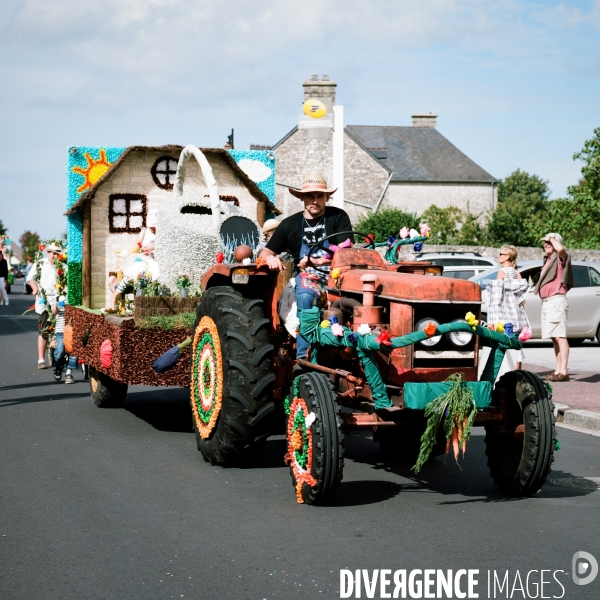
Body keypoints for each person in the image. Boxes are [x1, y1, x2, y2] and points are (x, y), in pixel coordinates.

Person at [258, 171, 353, 360]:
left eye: (320, 196)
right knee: (306, 295)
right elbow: (265, 253)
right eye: (310, 196)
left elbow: (346, 254)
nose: (315, 201)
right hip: (309, 276)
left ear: (327, 197)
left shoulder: (338, 217)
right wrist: (270, 259)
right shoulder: (289, 225)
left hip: (339, 276)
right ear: (302, 197)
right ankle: (303, 357)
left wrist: (317, 260)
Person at [533, 233, 573, 382]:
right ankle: (558, 370)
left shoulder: (561, 257)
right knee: (554, 338)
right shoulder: (549, 260)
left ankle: (564, 371)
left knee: (560, 336)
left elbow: (561, 249)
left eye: (549, 242)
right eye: (545, 242)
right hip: (548, 302)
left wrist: (553, 240)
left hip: (556, 300)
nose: (546, 244)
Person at [490, 244, 529, 370]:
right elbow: (522, 298)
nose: (498, 256)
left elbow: (496, 297)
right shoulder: (517, 273)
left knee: (502, 343)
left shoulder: (502, 272)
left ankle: (504, 373)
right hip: (515, 315)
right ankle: (517, 373)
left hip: (503, 314)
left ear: (508, 257)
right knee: (516, 345)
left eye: (501, 254)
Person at [27, 243, 62, 369]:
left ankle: (60, 357)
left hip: (58, 301)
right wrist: (35, 288)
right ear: (47, 253)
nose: (54, 255)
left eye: (57, 253)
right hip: (44, 300)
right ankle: (41, 360)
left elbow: (65, 284)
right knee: (44, 331)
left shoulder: (63, 267)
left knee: (60, 330)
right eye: (52, 253)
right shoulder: (40, 264)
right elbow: (31, 278)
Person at [51, 295, 78, 383]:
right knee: (59, 351)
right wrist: (56, 306)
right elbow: (53, 313)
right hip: (60, 330)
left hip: (72, 330)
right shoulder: (56, 296)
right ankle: (58, 367)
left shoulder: (72, 294)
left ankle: (68, 372)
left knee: (73, 351)